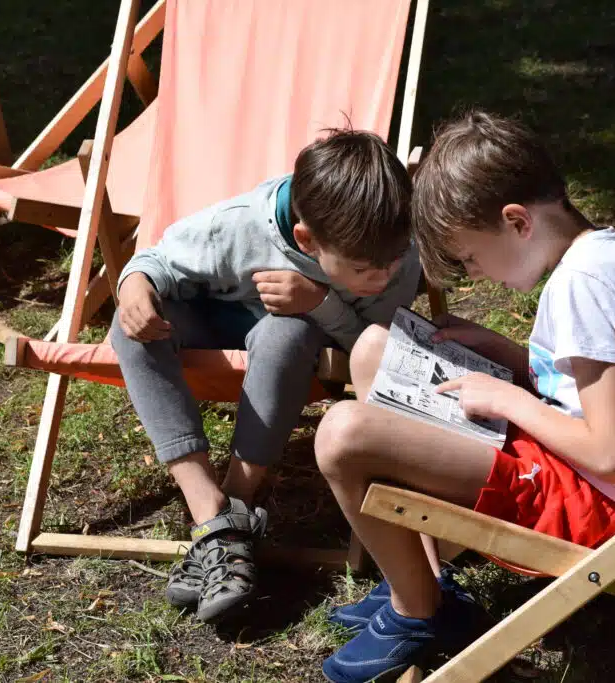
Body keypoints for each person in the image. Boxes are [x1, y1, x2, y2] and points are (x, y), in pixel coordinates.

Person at [312, 111, 615, 682]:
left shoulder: (580, 288)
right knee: (373, 347)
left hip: (592, 503)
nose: (476, 271)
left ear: (516, 222)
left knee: (343, 434)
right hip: (578, 470)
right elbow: (586, 387)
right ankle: (420, 575)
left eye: (470, 257)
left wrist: (510, 399)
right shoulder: (599, 257)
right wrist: (507, 356)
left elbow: (612, 453)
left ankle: (417, 610)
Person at [110, 128, 421, 624]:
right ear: (306, 239)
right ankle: (212, 512)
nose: (386, 276)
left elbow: (371, 353)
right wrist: (134, 288)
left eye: (395, 262)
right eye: (367, 270)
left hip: (293, 347)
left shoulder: (395, 252)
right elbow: (155, 262)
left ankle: (233, 508)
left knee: (289, 332)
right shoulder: (239, 227)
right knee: (129, 328)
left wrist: (321, 302)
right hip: (208, 323)